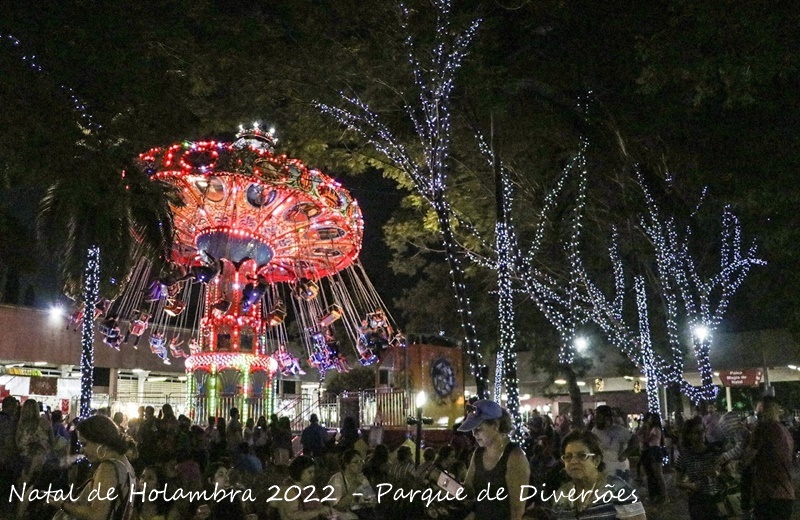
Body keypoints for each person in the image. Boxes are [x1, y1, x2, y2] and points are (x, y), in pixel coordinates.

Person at [547, 429, 645, 519]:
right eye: (568, 456)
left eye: (582, 456)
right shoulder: (563, 494)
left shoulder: (617, 489)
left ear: (597, 460)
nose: (573, 461)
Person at [54, 415, 136, 520]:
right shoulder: (126, 464)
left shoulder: (108, 468)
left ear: (99, 440)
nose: (81, 450)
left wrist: (62, 505)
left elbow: (97, 515)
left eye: (84, 444)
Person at [459, 399, 530, 520]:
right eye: (472, 429)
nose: (474, 434)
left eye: (478, 429)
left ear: (495, 425)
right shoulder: (478, 454)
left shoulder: (514, 457)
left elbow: (517, 509)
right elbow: (469, 491)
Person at [742, 395, 794, 520]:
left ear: (771, 408)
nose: (758, 414)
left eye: (760, 410)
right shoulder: (785, 431)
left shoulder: (763, 428)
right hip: (786, 495)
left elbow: (747, 459)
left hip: (768, 495)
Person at [675, 417, 722, 519]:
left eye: (702, 431)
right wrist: (690, 485)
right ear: (688, 436)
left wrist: (717, 473)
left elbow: (727, 472)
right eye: (696, 433)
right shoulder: (684, 455)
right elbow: (677, 482)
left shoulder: (714, 452)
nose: (701, 435)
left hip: (716, 499)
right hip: (697, 501)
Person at [276, 455, 331, 520]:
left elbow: (318, 505)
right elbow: (293, 515)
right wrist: (318, 512)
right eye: (310, 472)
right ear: (299, 471)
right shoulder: (289, 489)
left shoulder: (308, 486)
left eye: (314, 472)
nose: (313, 475)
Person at [592, 405, 637, 483]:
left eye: (598, 417)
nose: (596, 420)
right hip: (603, 469)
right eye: (595, 417)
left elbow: (635, 441)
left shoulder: (619, 431)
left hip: (618, 469)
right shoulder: (594, 430)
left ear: (607, 418)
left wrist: (625, 454)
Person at [327, 449, 376, 520]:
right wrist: (353, 488)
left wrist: (369, 501)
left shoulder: (362, 478)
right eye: (356, 462)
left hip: (359, 513)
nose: (360, 464)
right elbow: (337, 506)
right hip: (340, 516)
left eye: (361, 461)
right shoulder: (337, 479)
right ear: (347, 465)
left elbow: (372, 500)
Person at [641, 412, 666, 504]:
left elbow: (647, 440)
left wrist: (642, 439)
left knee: (658, 474)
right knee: (656, 474)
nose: (650, 420)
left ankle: (664, 496)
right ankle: (660, 495)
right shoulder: (656, 428)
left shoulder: (655, 429)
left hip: (654, 450)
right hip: (654, 450)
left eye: (651, 418)